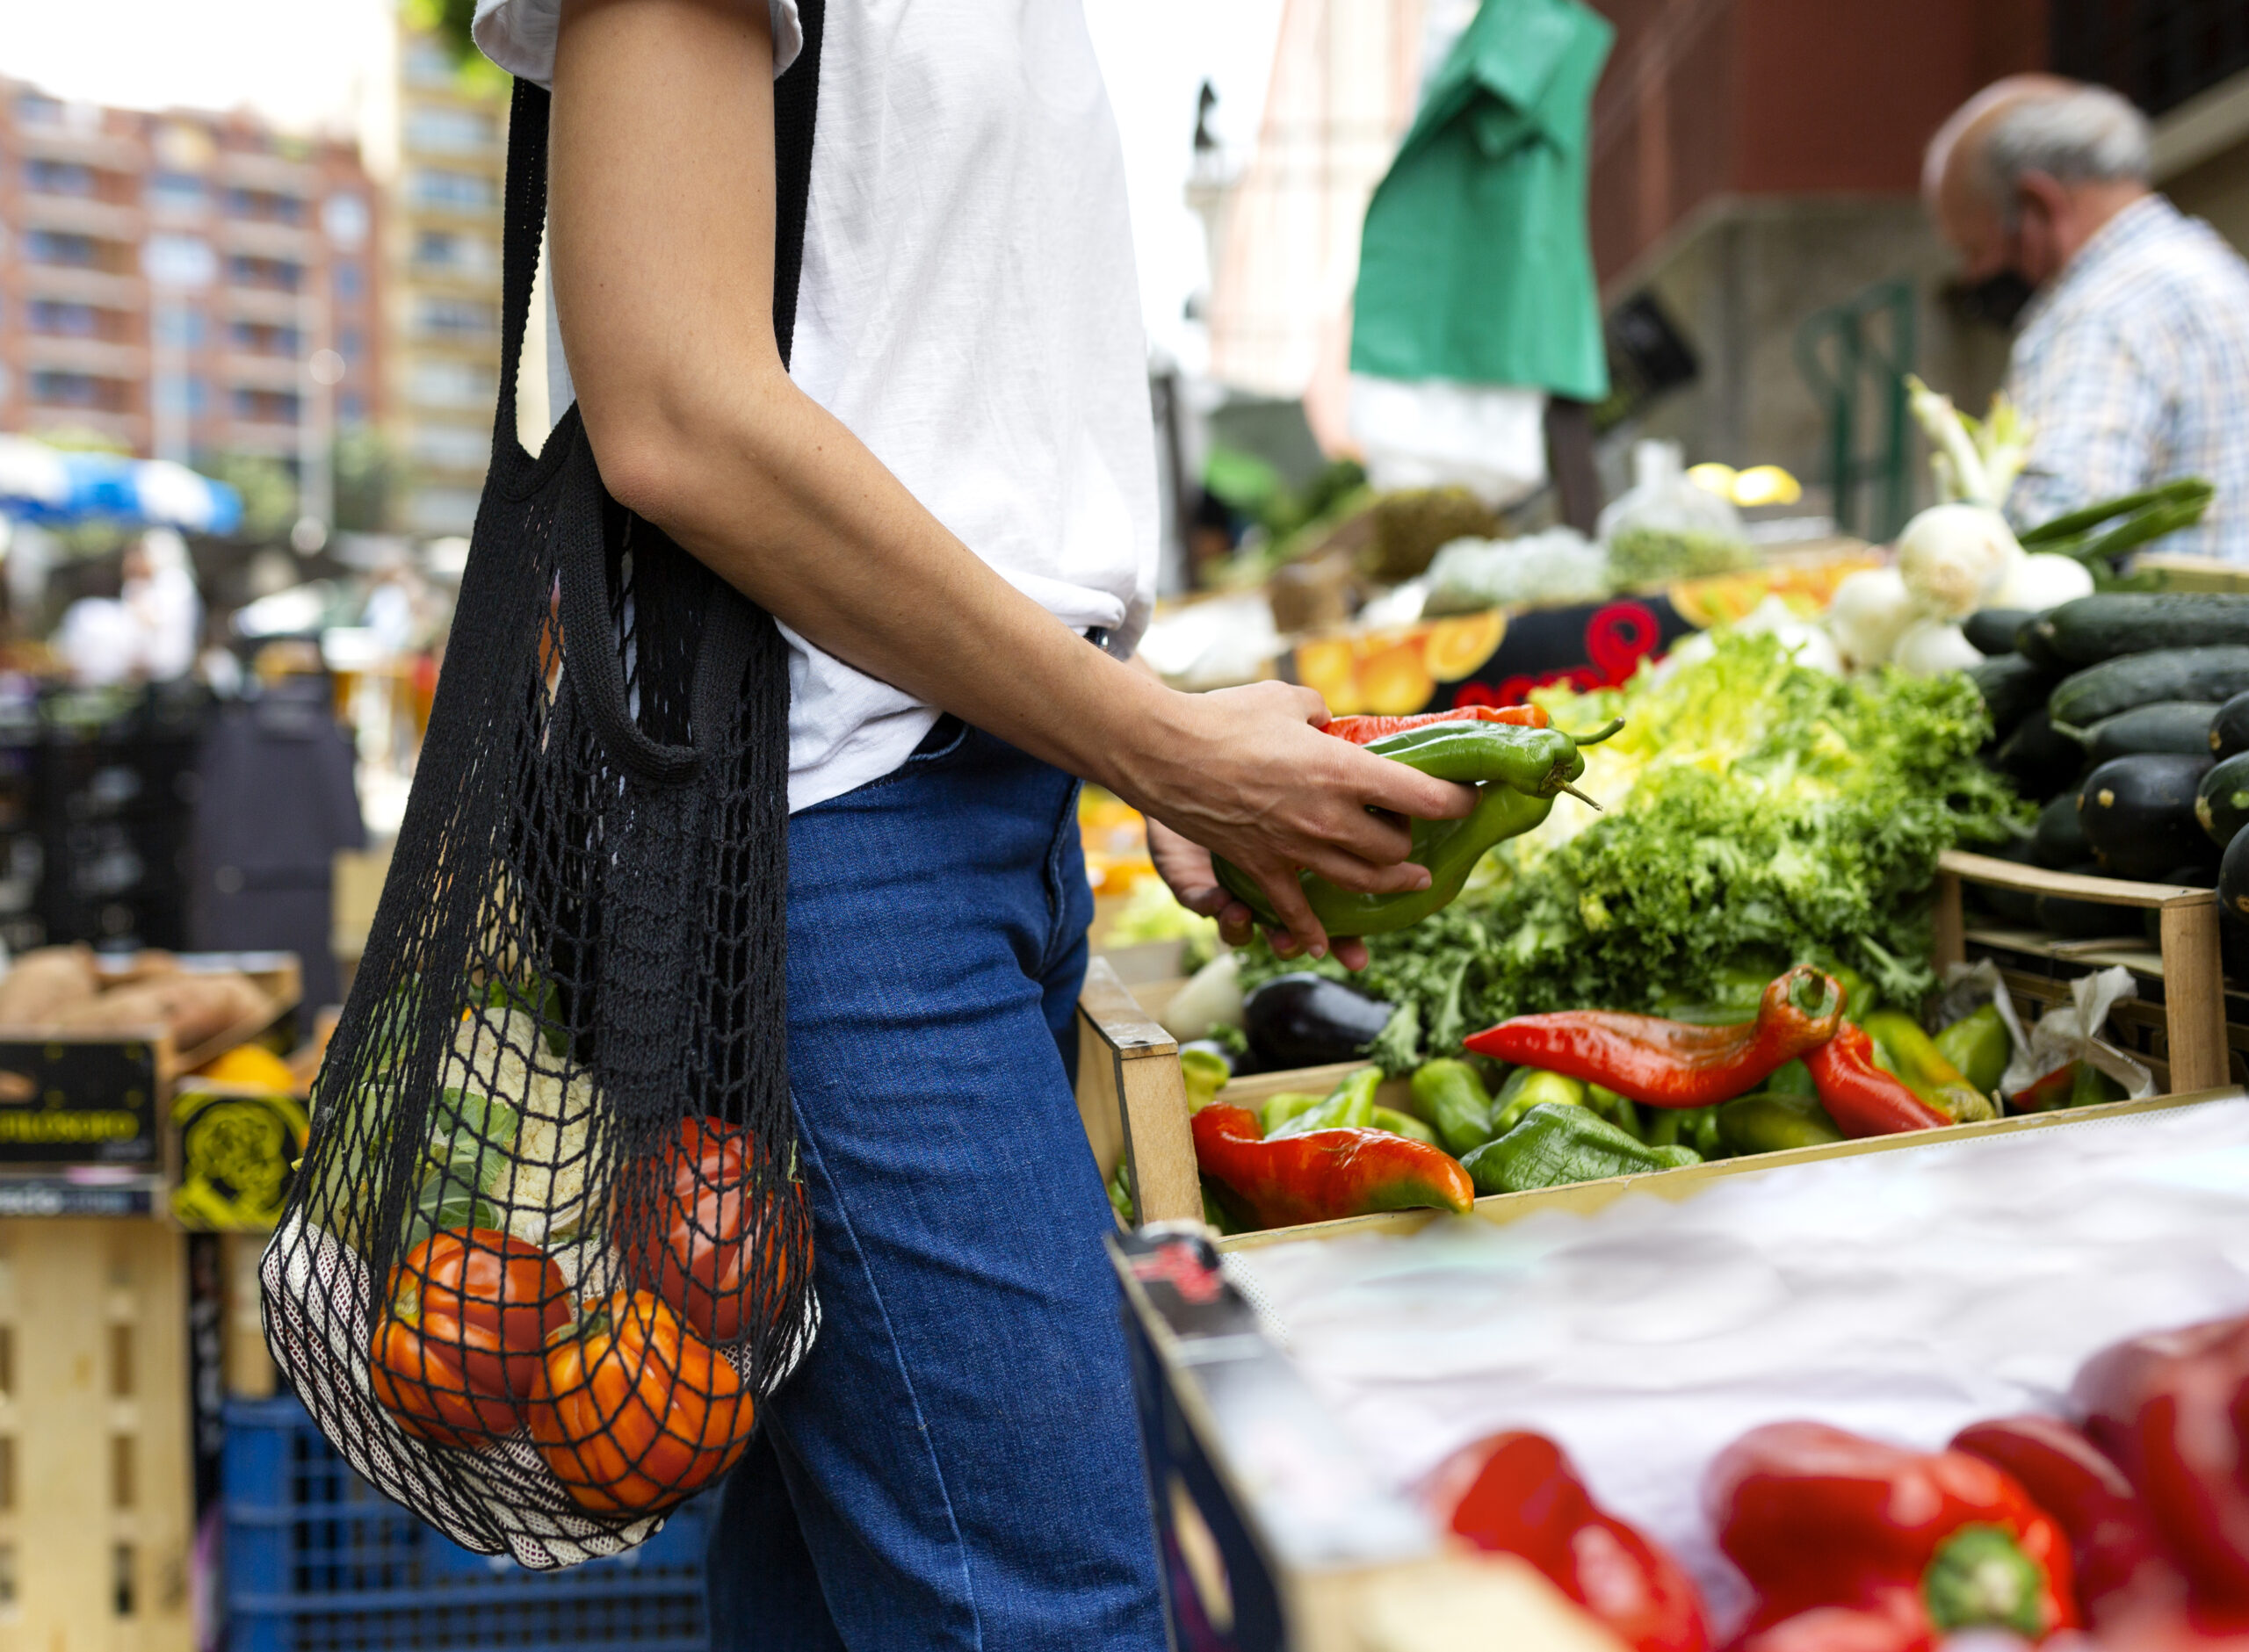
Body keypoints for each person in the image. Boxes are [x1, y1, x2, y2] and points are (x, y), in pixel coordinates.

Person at [469, 1, 1473, 1647]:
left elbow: (946, 411)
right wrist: (1153, 744)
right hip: (819, 845)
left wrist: (1135, 712)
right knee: (1061, 1598)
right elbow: (674, 410)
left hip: (949, 810)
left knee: (859, 1584)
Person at [1925, 77, 2249, 562]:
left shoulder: (2100, 313)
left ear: (2037, 205)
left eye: (1974, 250)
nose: (1973, 276)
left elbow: (2046, 537)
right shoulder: (2218, 268)